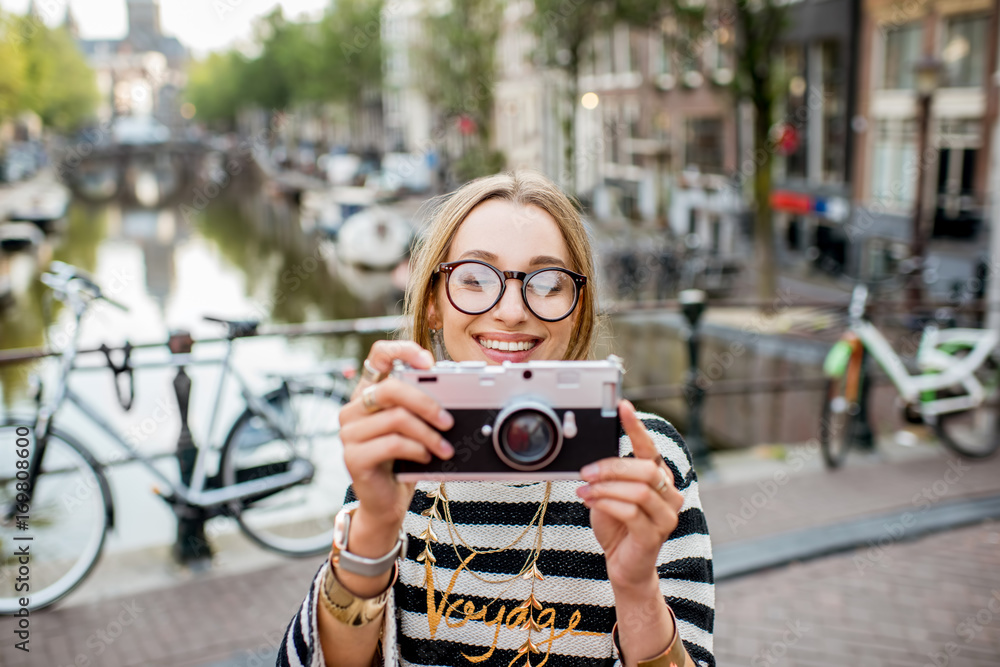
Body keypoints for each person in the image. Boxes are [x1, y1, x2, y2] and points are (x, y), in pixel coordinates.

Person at [277, 171, 714, 667]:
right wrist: (374, 528)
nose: (510, 311)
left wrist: (636, 587)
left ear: (578, 308)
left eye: (547, 283)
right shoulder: (403, 447)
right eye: (474, 278)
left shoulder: (642, 463)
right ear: (435, 302)